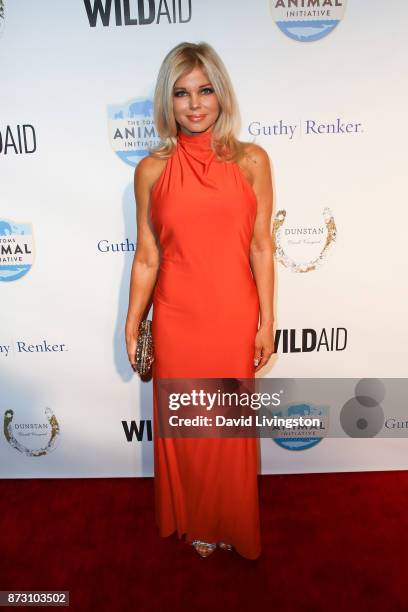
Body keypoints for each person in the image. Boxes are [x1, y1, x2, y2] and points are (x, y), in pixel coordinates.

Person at [125, 41, 274, 560]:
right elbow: (146, 257)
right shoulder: (150, 170)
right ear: (168, 101)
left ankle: (230, 519)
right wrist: (131, 320)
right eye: (182, 92)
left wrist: (267, 319)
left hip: (233, 315)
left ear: (221, 93)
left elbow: (261, 245)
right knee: (188, 425)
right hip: (175, 318)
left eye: (205, 90)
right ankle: (196, 519)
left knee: (228, 430)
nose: (195, 104)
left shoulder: (252, 160)